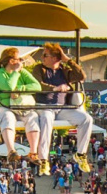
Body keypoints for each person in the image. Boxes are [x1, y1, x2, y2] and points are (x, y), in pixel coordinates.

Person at [31, 42, 91, 172]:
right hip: (45, 106)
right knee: (46, 119)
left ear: (54, 58)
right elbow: (37, 85)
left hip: (62, 107)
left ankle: (80, 154)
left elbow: (81, 76)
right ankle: (43, 159)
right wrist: (55, 88)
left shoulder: (63, 71)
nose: (42, 58)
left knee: (86, 119)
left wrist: (67, 60)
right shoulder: (39, 69)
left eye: (45, 55)